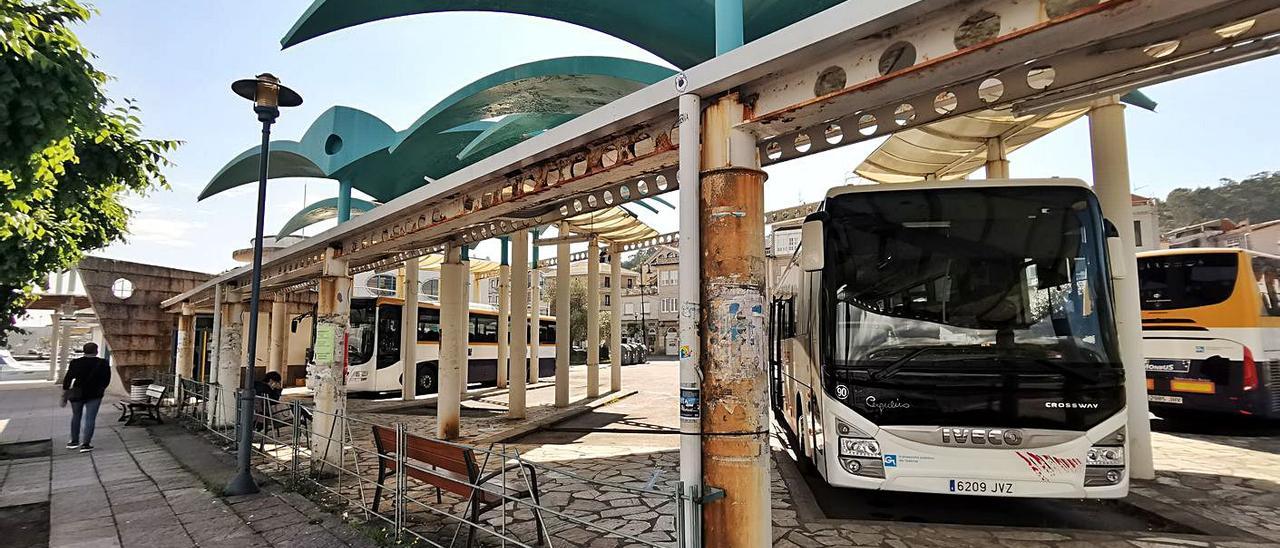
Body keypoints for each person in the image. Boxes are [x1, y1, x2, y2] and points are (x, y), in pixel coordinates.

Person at [62, 342, 112, 452]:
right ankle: (86, 444)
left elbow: (68, 378)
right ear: (96, 351)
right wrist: (101, 388)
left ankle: (73, 441)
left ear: (84, 351)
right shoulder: (103, 363)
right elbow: (107, 379)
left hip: (77, 393)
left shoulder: (75, 362)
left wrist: (66, 390)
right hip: (95, 394)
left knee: (76, 416)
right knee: (90, 418)